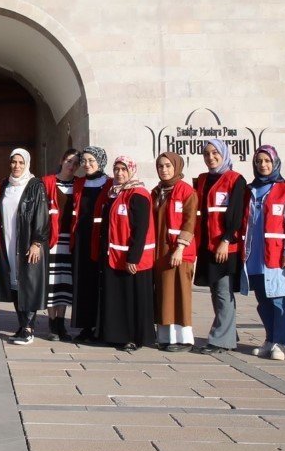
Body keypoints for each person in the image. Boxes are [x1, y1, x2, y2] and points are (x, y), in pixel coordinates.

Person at [239, 146, 285, 360]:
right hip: (254, 254)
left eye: (267, 161)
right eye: (258, 161)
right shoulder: (250, 189)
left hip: (276, 254)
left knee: (278, 299)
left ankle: (281, 342)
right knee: (262, 299)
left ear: (275, 162)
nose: (263, 165)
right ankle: (270, 338)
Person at [194, 139, 247, 355]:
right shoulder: (203, 180)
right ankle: (228, 332)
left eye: (215, 152)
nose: (211, 157)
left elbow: (236, 214)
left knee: (224, 291)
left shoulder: (235, 179)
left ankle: (220, 340)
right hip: (207, 245)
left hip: (225, 245)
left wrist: (226, 240)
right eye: (206, 153)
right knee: (215, 291)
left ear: (224, 153)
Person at [0, 148, 49, 345]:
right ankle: (21, 324)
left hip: (27, 242)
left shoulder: (35, 185)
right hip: (8, 241)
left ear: (27, 164)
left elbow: (42, 215)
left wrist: (36, 242)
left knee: (29, 283)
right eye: (14, 162)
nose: (17, 166)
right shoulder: (5, 185)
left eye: (21, 163)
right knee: (15, 282)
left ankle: (28, 328)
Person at [97, 156, 155, 352]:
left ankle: (133, 337)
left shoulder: (138, 194)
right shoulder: (114, 193)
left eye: (123, 169)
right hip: (115, 255)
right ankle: (116, 335)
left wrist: (133, 258)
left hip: (131, 258)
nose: (119, 173)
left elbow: (141, 229)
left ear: (131, 171)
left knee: (132, 298)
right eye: (116, 169)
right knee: (119, 297)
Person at [152, 152, 197, 352]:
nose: (164, 170)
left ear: (177, 167)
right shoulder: (156, 191)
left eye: (168, 166)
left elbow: (190, 221)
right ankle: (165, 336)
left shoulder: (186, 191)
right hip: (160, 252)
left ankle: (183, 338)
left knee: (179, 293)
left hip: (179, 252)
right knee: (163, 294)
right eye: (161, 166)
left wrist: (180, 248)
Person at [71, 146, 110, 343]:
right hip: (81, 239)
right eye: (84, 161)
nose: (87, 165)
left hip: (101, 239)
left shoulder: (110, 183)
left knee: (100, 283)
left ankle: (100, 326)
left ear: (100, 162)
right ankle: (86, 326)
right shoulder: (79, 183)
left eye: (91, 161)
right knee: (83, 283)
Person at [41, 149, 78, 341]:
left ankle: (61, 323)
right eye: (69, 161)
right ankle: (52, 323)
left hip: (69, 239)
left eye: (75, 163)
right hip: (53, 239)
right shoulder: (47, 182)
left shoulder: (79, 184)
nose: (71, 166)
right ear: (62, 161)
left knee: (65, 281)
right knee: (52, 281)